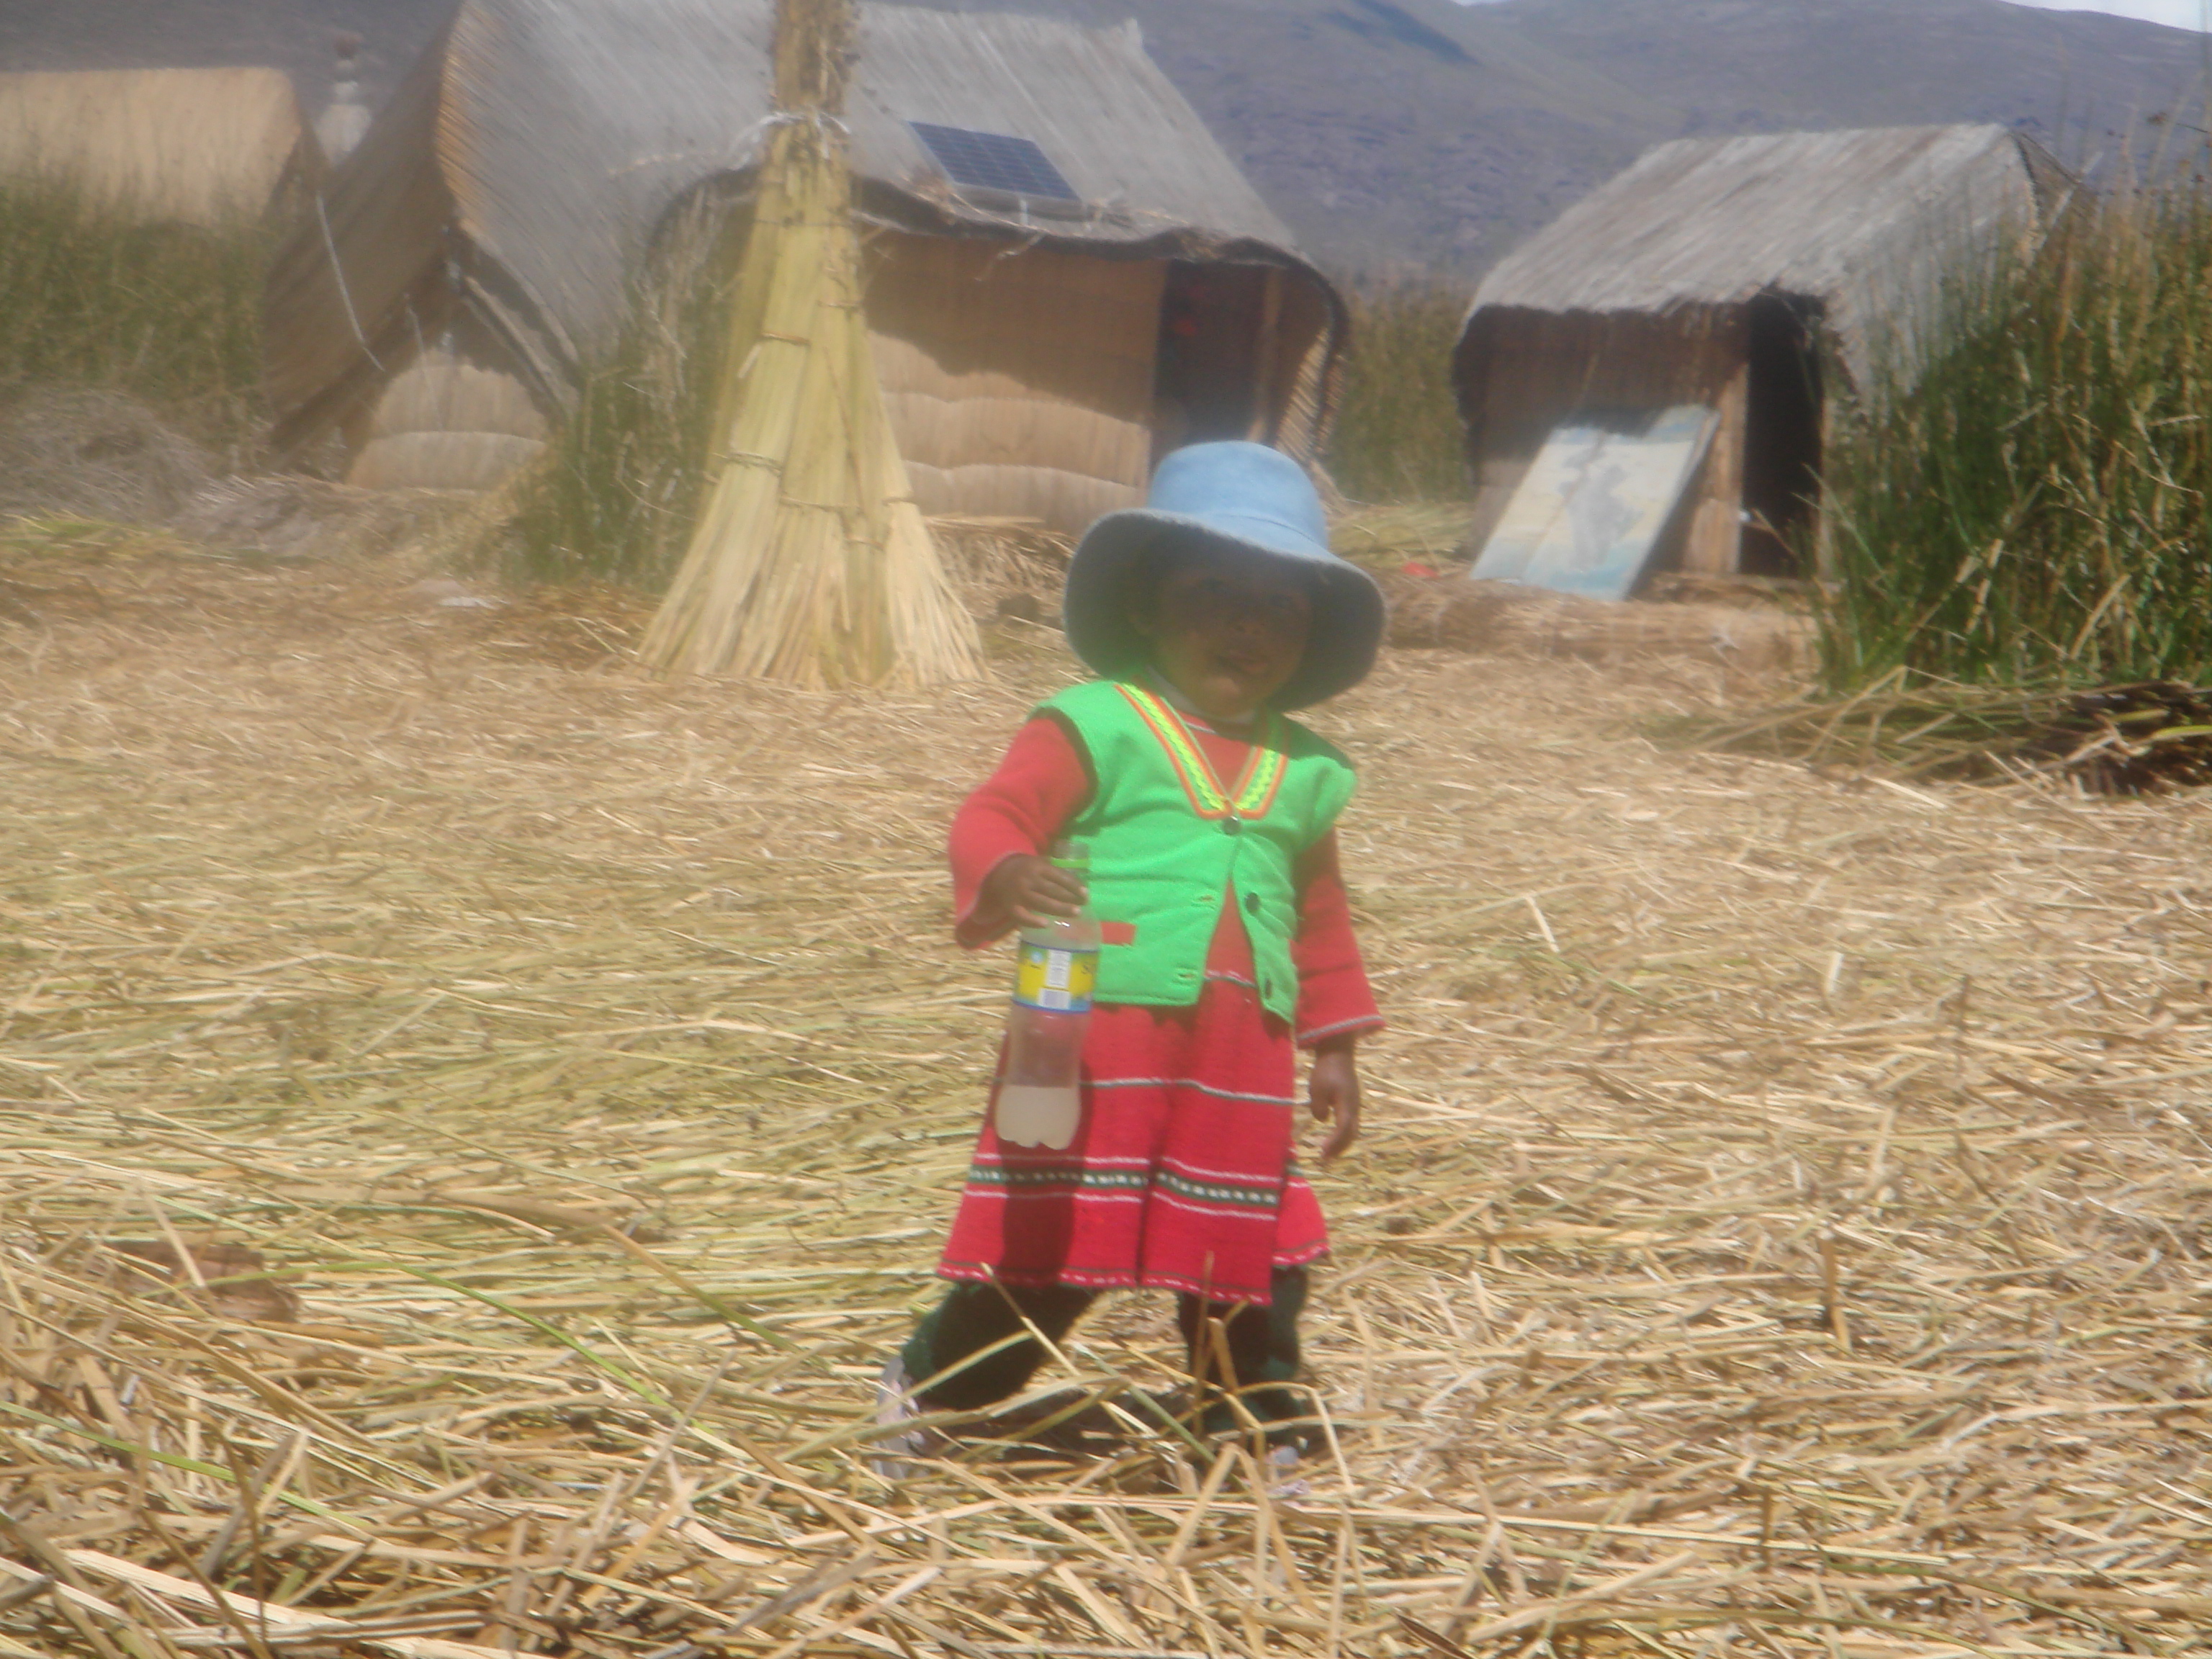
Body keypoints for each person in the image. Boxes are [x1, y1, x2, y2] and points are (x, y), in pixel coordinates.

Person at [878, 441, 1388, 1457]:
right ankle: (932, 1389)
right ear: (1151, 605)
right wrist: (1009, 872)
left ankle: (1252, 1426)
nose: (1249, 624)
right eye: (1215, 594)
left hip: (1238, 1064)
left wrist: (1334, 1044)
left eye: (1281, 606)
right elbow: (996, 812)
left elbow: (1319, 912)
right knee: (1055, 1250)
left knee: (1252, 1255)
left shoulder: (1306, 771)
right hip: (1095, 1044)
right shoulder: (1096, 723)